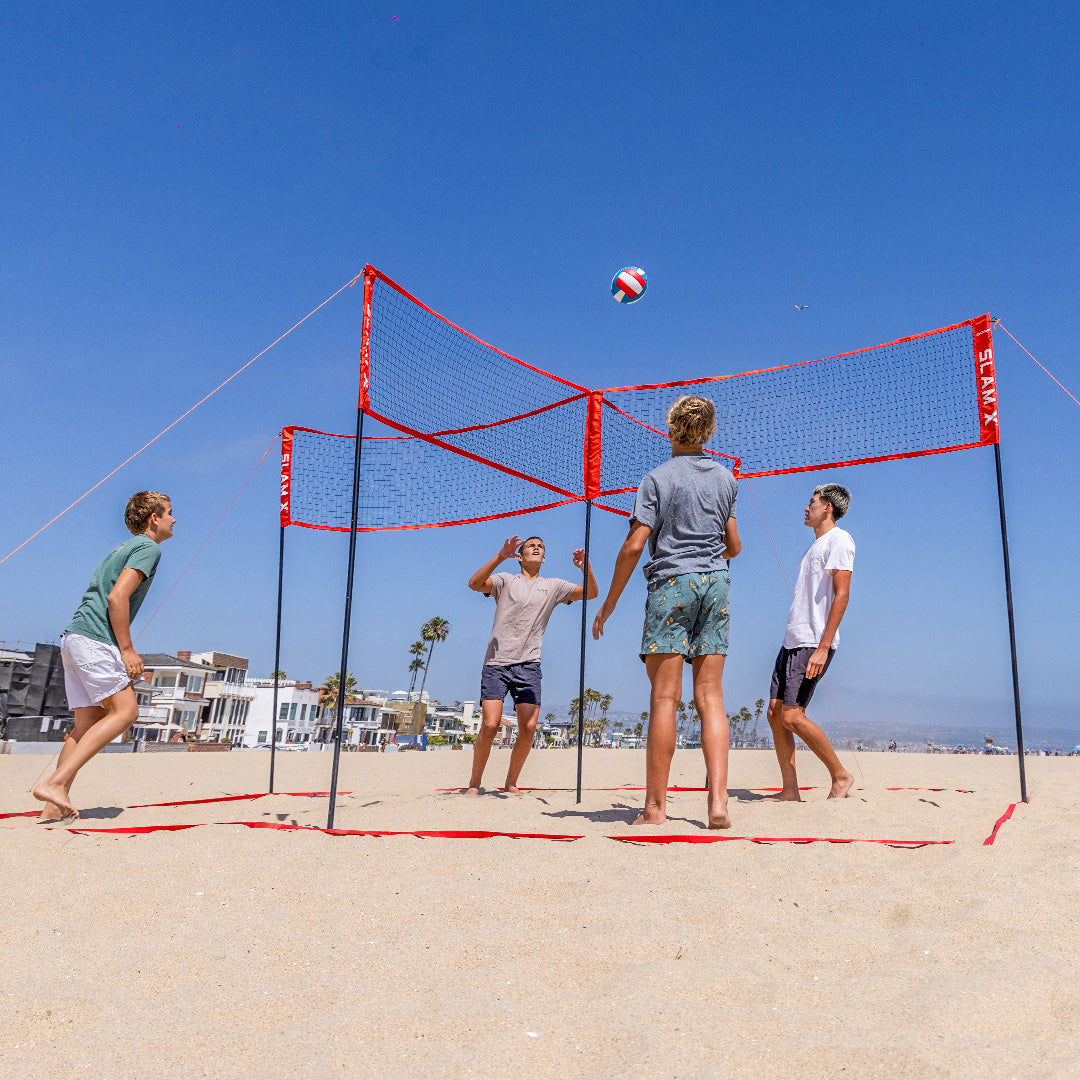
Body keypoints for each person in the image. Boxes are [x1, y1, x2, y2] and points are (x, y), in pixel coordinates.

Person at [592, 395, 740, 828]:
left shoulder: (656, 478)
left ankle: (655, 808)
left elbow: (635, 544)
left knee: (664, 697)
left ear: (670, 429)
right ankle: (717, 804)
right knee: (711, 697)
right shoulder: (726, 479)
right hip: (716, 583)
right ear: (709, 431)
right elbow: (734, 546)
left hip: (672, 582)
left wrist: (610, 602)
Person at [33, 492, 175, 821]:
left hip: (74, 637)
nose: (174, 518)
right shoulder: (148, 548)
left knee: (84, 726)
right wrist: (127, 649)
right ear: (154, 518)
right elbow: (117, 597)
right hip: (95, 639)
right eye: (169, 512)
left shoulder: (122, 548)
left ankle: (53, 808)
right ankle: (55, 783)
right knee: (126, 713)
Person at [466, 534, 597, 795]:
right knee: (490, 725)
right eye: (530, 546)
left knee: (528, 727)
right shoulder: (505, 580)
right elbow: (474, 584)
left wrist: (585, 568)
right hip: (497, 663)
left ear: (544, 557)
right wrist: (499, 557)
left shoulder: (553, 586)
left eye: (540, 547)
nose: (536, 548)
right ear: (520, 555)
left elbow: (591, 593)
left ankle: (511, 782)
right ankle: (474, 782)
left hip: (529, 664)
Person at [764, 483, 855, 801]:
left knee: (792, 716)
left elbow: (842, 595)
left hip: (813, 642)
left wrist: (822, 646)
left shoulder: (840, 540)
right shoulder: (813, 548)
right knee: (775, 713)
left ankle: (840, 776)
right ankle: (790, 790)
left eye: (812, 502)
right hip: (792, 640)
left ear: (828, 507)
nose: (806, 507)